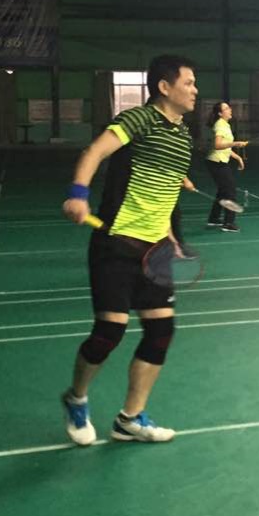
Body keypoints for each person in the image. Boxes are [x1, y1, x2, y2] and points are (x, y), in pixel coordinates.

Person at [60, 54, 198, 446]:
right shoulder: (138, 119)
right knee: (109, 332)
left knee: (161, 332)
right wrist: (78, 194)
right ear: (164, 87)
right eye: (188, 83)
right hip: (116, 242)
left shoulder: (183, 136)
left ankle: (130, 419)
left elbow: (165, 193)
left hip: (156, 251)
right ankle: (76, 397)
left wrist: (171, 237)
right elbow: (95, 151)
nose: (195, 90)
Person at [205, 101, 245, 232]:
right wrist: (235, 143)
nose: (230, 109)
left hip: (216, 161)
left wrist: (238, 157)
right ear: (220, 113)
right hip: (217, 162)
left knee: (223, 191)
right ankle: (228, 223)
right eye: (226, 108)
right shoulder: (220, 125)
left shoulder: (225, 125)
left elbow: (225, 147)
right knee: (230, 191)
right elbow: (217, 145)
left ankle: (213, 218)